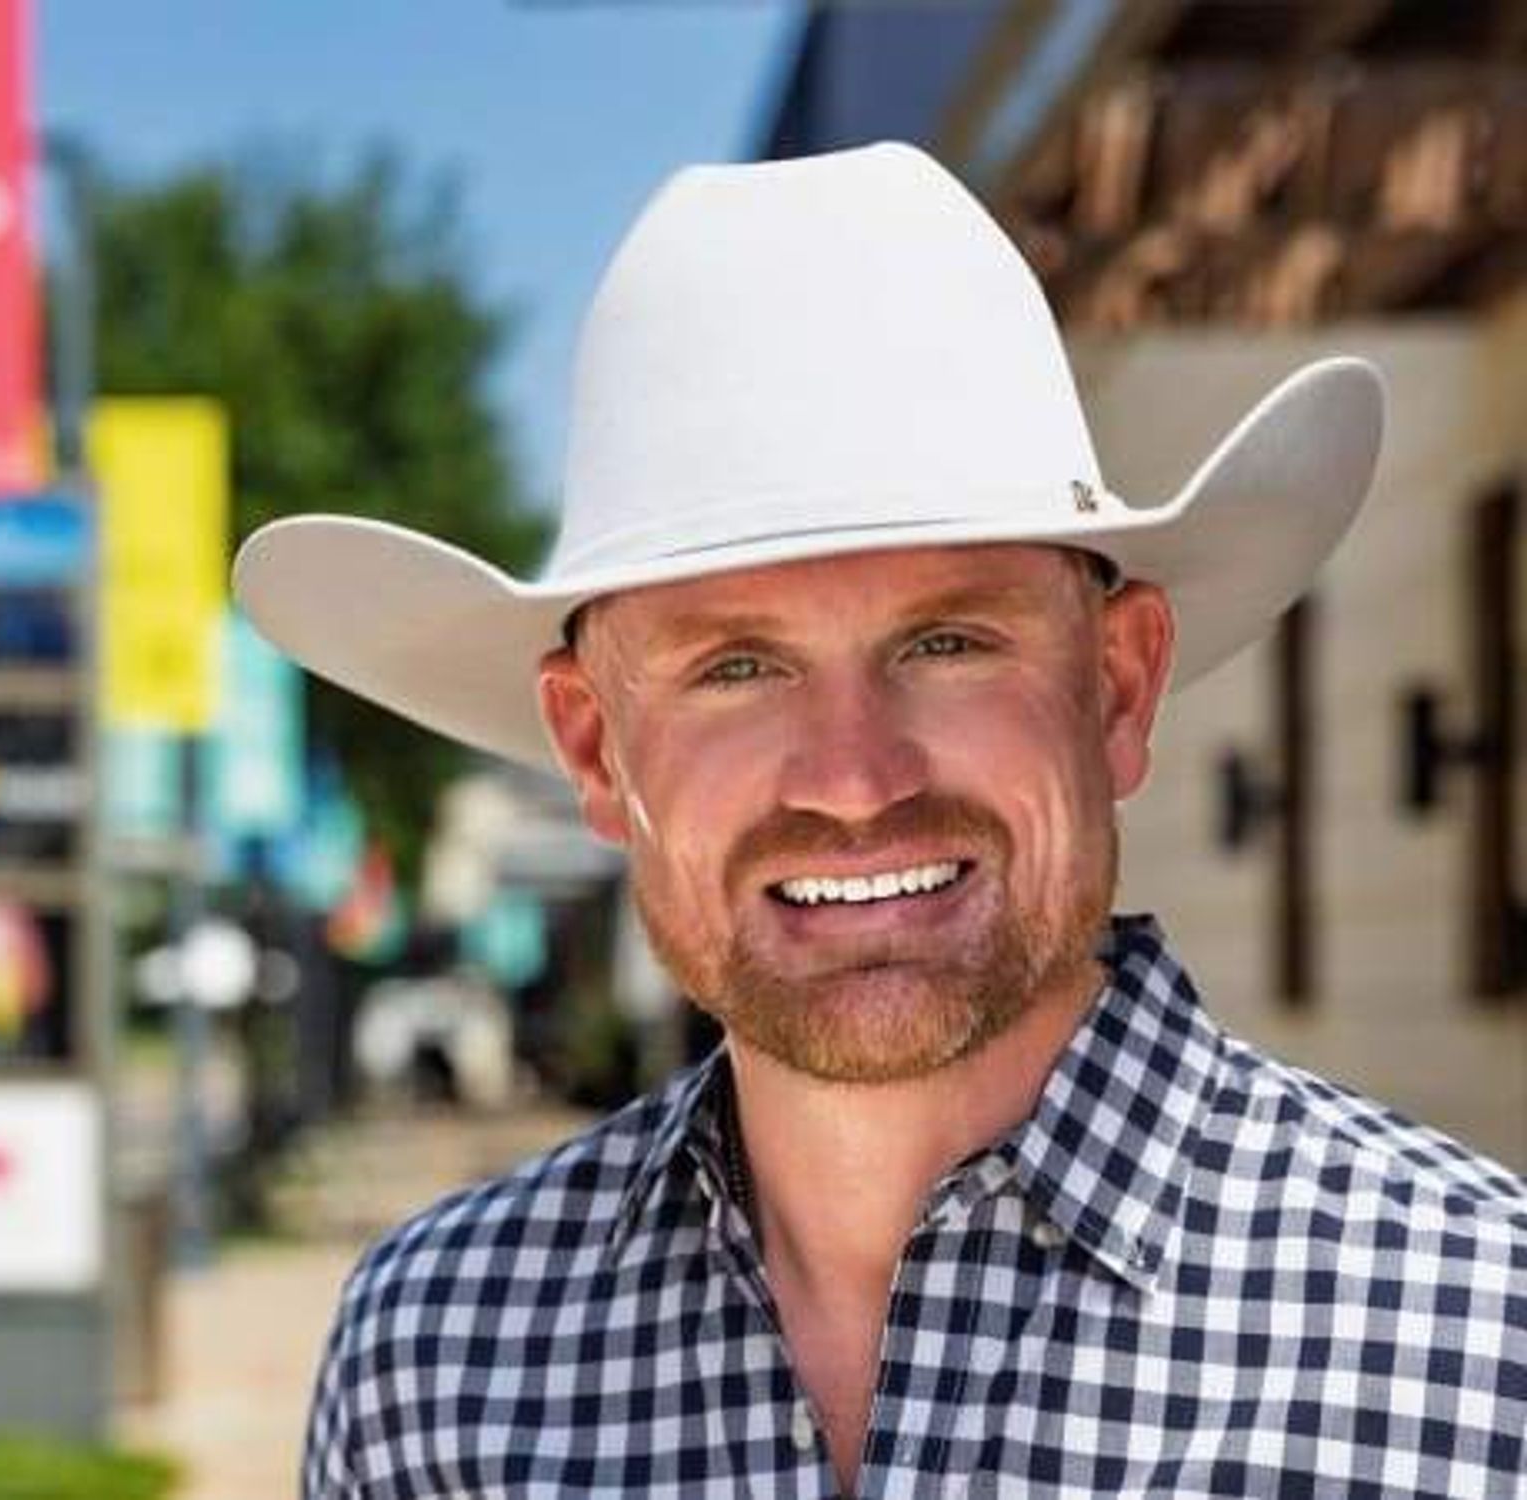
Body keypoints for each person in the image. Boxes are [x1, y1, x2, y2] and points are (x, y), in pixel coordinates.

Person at [234, 143, 1527, 1499]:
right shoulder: (432, 1367)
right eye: (736, 667)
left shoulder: (1478, 1346)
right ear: (596, 750)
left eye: (950, 641)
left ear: (1119, 689)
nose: (853, 780)